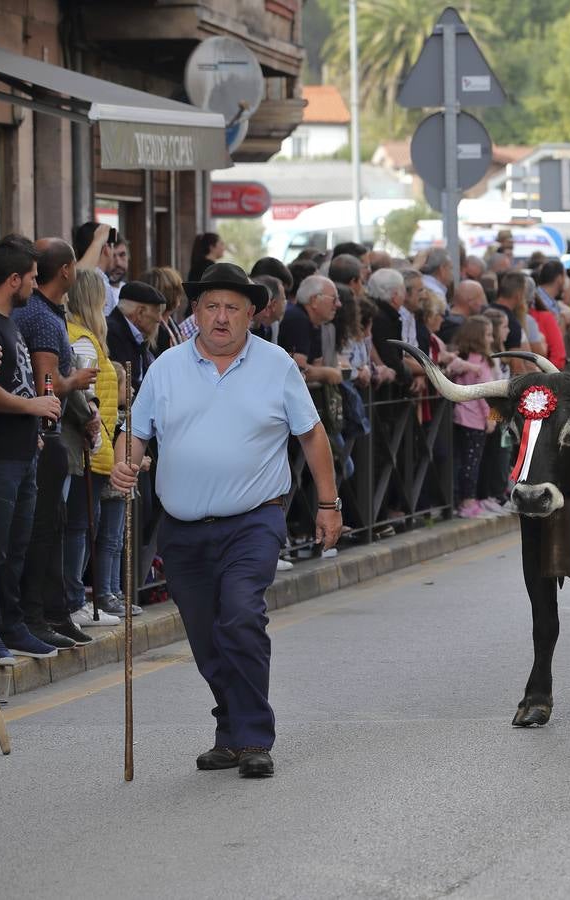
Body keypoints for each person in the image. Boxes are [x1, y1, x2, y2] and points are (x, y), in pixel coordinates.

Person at [111, 262, 341, 778]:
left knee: (240, 616)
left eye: (232, 308)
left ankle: (253, 736)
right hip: (182, 527)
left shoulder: (276, 365)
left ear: (251, 314)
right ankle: (230, 728)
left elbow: (312, 434)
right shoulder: (167, 367)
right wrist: (124, 463)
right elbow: (136, 432)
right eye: (211, 306)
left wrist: (329, 505)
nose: (220, 317)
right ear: (194, 311)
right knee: (205, 637)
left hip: (253, 520)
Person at [14, 239, 100, 650]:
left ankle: (53, 612)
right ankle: (40, 615)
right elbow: (46, 385)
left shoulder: (42, 313)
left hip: (43, 437)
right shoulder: (44, 319)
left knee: (53, 527)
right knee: (44, 531)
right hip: (44, 438)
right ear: (65, 270)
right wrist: (76, 382)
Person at [0, 236, 63, 665]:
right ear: (13, 279)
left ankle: (11, 625)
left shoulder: (10, 322)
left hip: (22, 452)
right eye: (32, 278)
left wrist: (31, 424)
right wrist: (32, 407)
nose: (36, 286)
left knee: (16, 547)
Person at [61, 268, 125, 628]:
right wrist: (96, 433)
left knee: (84, 527)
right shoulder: (84, 340)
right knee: (80, 527)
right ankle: (73, 601)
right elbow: (86, 396)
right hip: (88, 445)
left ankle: (73, 598)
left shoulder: (79, 336)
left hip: (91, 444)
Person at [447, 317, 498, 520]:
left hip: (461, 415)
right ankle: (467, 501)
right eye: (488, 335)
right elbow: (485, 393)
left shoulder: (463, 359)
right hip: (475, 419)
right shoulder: (481, 361)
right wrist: (492, 418)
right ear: (477, 337)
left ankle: (463, 499)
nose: (491, 339)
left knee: (463, 461)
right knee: (472, 462)